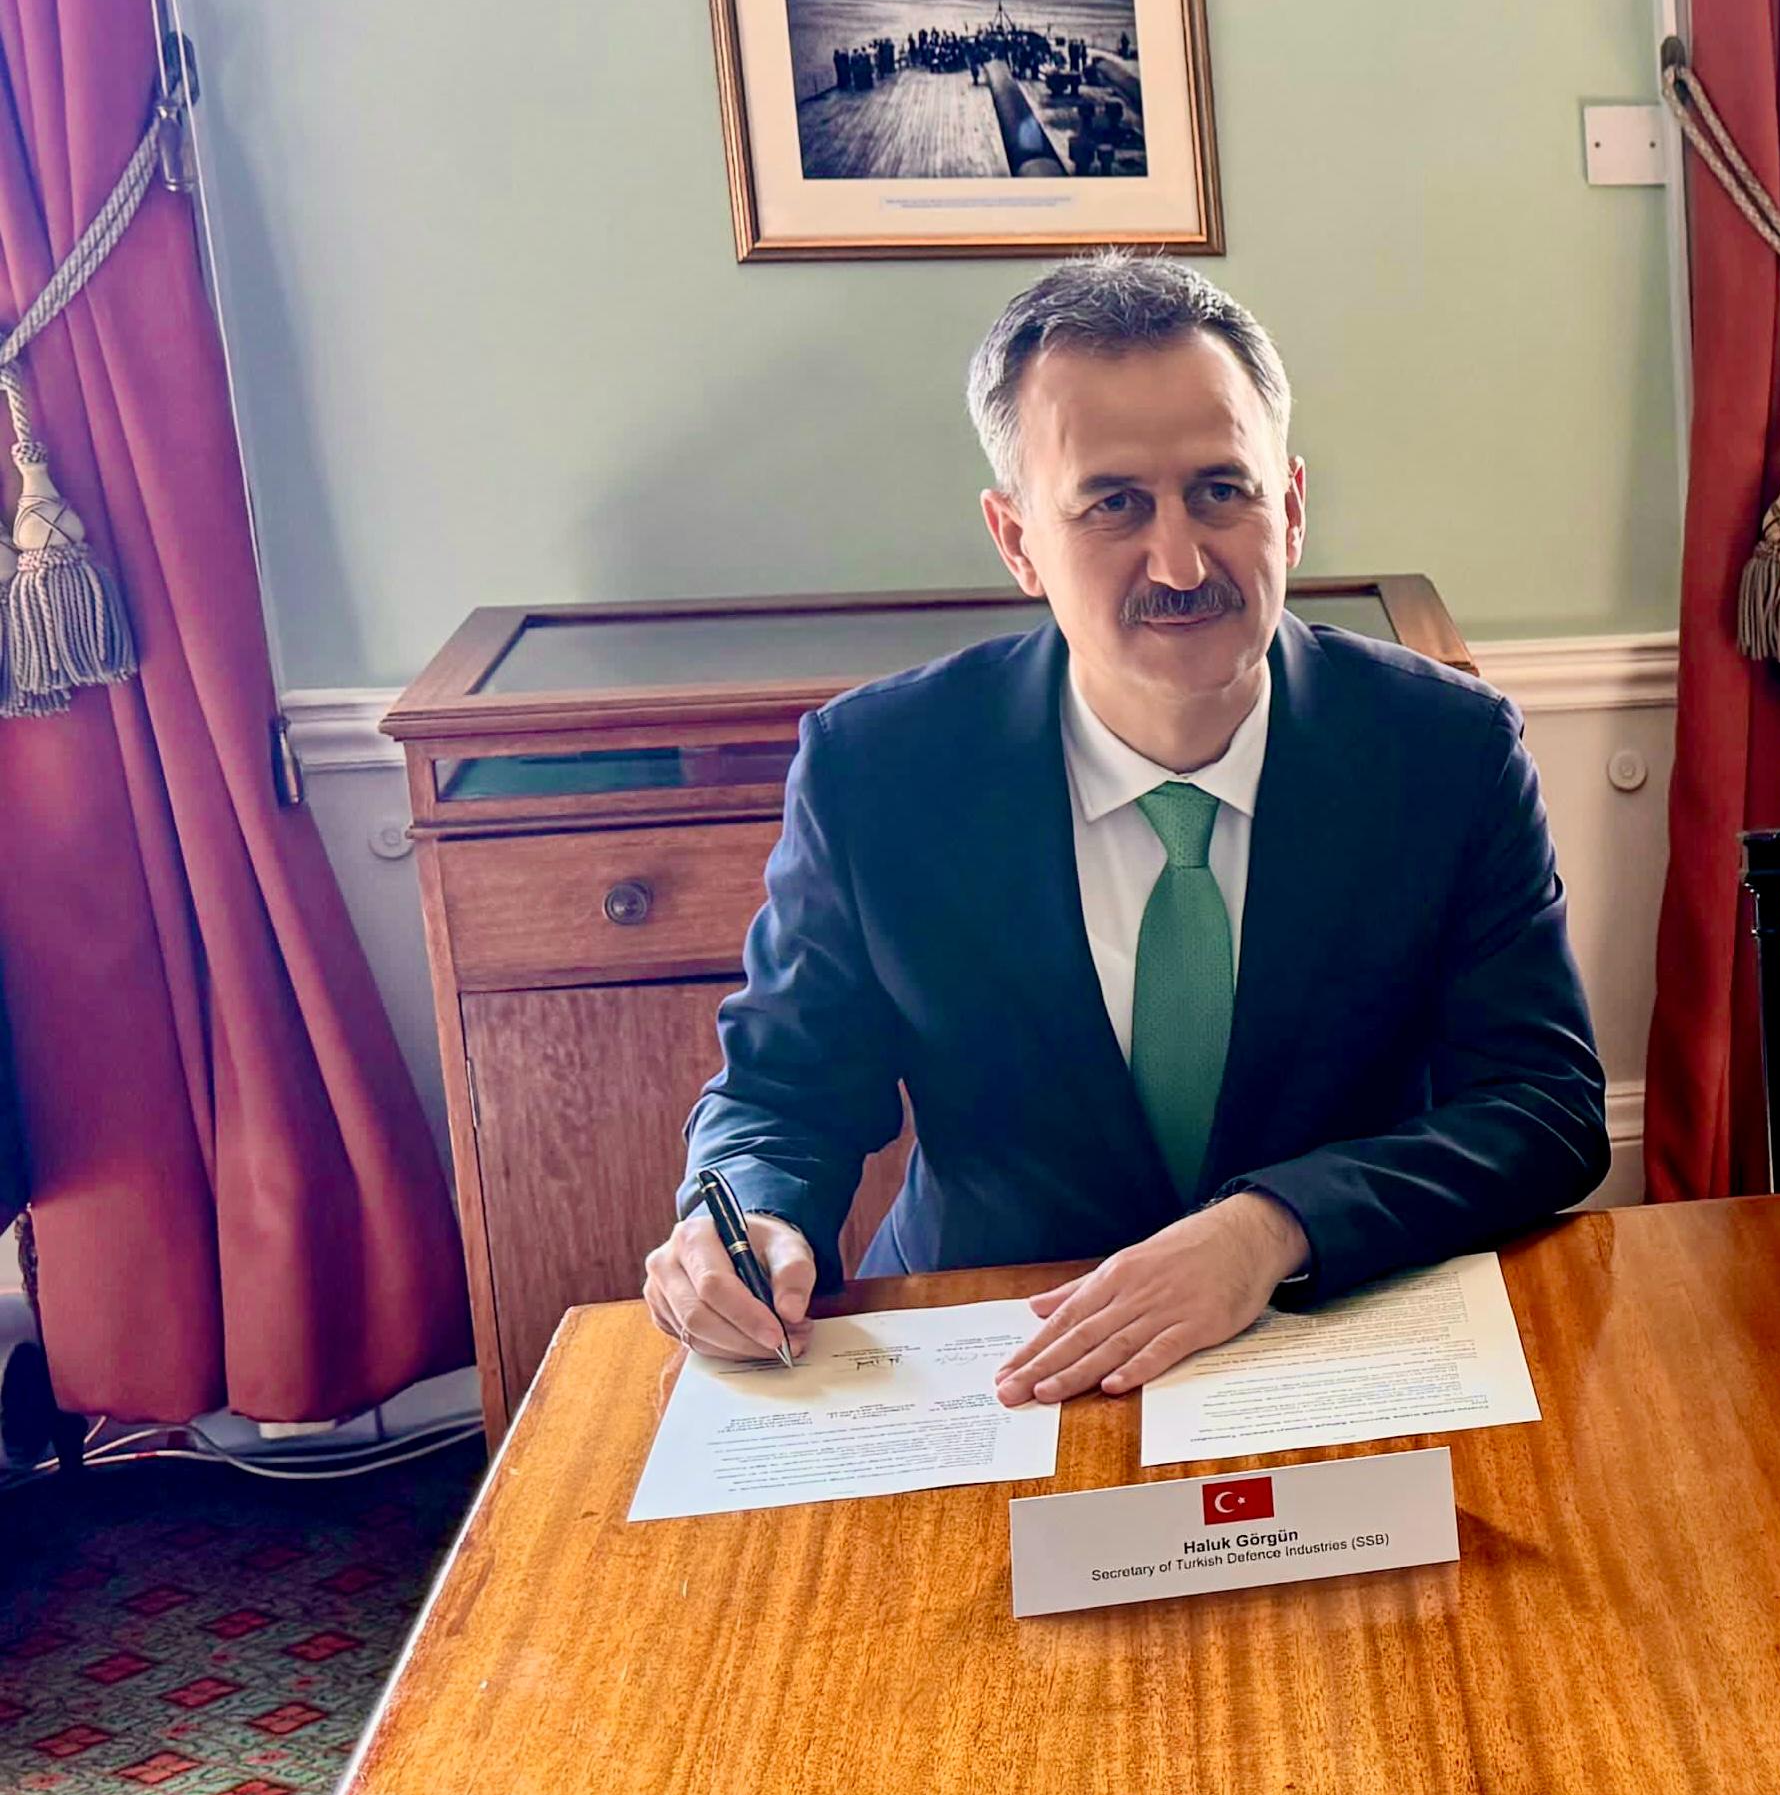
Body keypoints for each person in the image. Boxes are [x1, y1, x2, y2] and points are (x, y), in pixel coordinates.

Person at [643, 255, 1609, 1400]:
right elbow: (781, 1094)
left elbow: (1542, 1104)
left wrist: (1274, 1226)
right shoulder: (879, 771)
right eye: (1113, 503)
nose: (1182, 562)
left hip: (1327, 1332)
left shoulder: (1444, 751)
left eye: (1222, 489)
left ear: (1292, 507)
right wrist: (748, 1216)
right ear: (1016, 540)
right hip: (998, 1350)